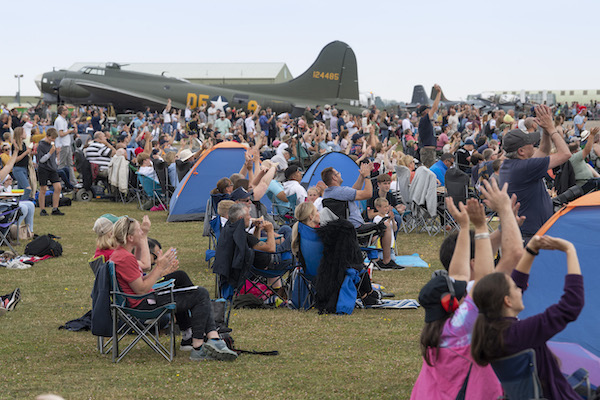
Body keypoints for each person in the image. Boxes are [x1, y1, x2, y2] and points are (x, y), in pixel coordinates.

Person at [471, 235, 584, 400]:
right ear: (507, 301)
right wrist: (570, 250)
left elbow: (517, 283)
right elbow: (571, 305)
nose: (520, 289)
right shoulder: (520, 334)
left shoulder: (490, 330)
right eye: (515, 289)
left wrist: (531, 250)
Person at [110, 216, 238, 361]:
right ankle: (199, 346)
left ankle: (209, 338)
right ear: (130, 237)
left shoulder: (121, 254)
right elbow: (141, 289)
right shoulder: (125, 258)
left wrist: (159, 269)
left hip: (141, 299)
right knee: (200, 293)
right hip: (143, 303)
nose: (142, 232)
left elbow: (141, 278)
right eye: (139, 230)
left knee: (184, 282)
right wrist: (160, 267)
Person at [411, 197, 502, 400]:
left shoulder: (436, 329)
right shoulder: (463, 324)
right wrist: (479, 227)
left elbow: (459, 275)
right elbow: (483, 279)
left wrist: (463, 228)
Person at [499, 104, 571, 241]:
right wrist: (551, 128)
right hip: (530, 235)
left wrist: (545, 130)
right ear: (521, 151)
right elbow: (565, 154)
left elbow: (543, 151)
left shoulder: (511, 165)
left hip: (525, 232)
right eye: (530, 144)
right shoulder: (525, 167)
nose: (534, 145)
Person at [321, 164, 400, 269]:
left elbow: (352, 192)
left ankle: (380, 258)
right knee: (385, 225)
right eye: (338, 173)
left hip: (344, 228)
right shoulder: (340, 191)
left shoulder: (329, 193)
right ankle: (386, 261)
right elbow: (368, 194)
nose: (340, 174)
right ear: (334, 178)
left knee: (377, 225)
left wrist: (361, 176)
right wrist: (367, 177)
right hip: (355, 228)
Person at [37, 128, 64, 216]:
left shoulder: (52, 144)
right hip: (43, 168)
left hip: (52, 168)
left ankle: (55, 208)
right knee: (43, 189)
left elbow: (53, 158)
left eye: (54, 139)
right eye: (51, 138)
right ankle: (42, 209)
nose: (53, 140)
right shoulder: (41, 145)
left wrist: (57, 153)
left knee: (58, 187)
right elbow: (41, 160)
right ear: (47, 136)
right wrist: (50, 152)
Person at [417, 84, 442, 167]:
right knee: (429, 171)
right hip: (428, 151)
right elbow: (435, 107)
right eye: (428, 109)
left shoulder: (424, 121)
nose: (430, 110)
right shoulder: (424, 119)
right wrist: (439, 92)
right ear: (425, 112)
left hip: (428, 149)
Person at [54, 105, 77, 187]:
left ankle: (73, 181)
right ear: (62, 111)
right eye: (66, 109)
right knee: (62, 164)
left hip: (67, 144)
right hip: (63, 144)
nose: (68, 111)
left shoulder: (63, 120)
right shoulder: (59, 120)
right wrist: (69, 131)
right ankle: (59, 182)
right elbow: (61, 134)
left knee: (70, 163)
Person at [11, 127, 32, 199]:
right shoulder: (15, 145)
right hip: (18, 169)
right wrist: (25, 153)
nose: (26, 134)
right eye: (24, 132)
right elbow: (15, 160)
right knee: (27, 188)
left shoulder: (23, 144)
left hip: (24, 168)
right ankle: (22, 206)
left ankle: (17, 204)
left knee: (20, 191)